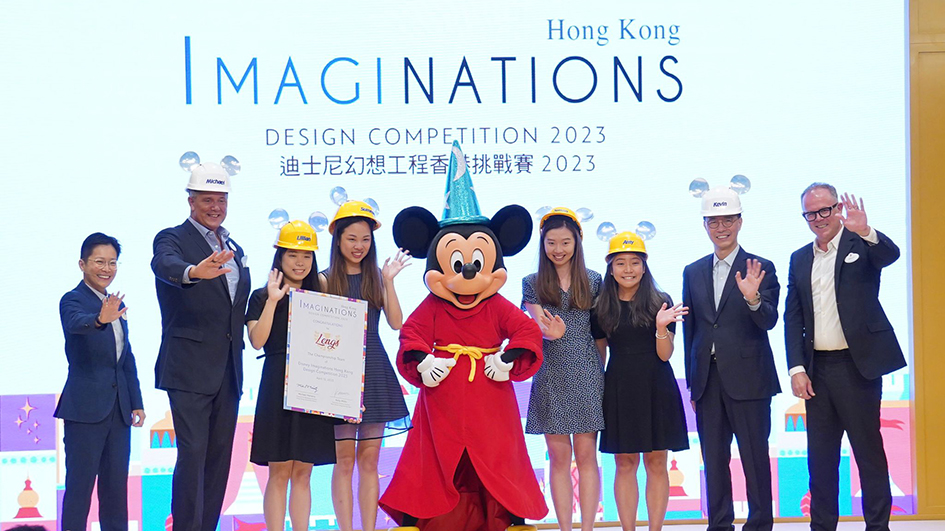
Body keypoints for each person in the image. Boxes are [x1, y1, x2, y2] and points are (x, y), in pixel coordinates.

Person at [785, 184, 906, 531]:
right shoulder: (800, 258)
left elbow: (890, 255)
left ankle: (878, 526)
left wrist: (865, 231)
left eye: (825, 210)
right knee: (820, 459)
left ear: (838, 209)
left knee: (868, 453)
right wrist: (796, 368)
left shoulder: (860, 244)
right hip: (817, 371)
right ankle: (822, 526)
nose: (818, 218)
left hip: (858, 368)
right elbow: (793, 316)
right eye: (811, 213)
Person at [151, 162, 251, 531]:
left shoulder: (233, 246)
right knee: (192, 454)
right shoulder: (172, 238)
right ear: (191, 201)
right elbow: (164, 264)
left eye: (221, 200)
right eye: (207, 199)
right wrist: (194, 272)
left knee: (219, 459)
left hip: (228, 369)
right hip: (189, 368)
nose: (215, 207)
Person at [682, 187, 780, 531]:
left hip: (750, 379)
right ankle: (719, 524)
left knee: (754, 457)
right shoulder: (692, 271)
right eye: (713, 221)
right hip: (708, 381)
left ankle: (759, 524)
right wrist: (693, 383)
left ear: (740, 222)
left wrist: (753, 299)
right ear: (705, 225)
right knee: (713, 458)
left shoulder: (760, 267)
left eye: (727, 220)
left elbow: (769, 320)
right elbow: (692, 329)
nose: (720, 228)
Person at [319, 201, 412, 531]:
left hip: (373, 370)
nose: (359, 246)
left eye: (365, 239)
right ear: (338, 241)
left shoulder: (376, 279)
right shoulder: (324, 280)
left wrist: (389, 281)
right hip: (339, 374)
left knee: (370, 460)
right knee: (343, 460)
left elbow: (397, 322)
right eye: (351, 239)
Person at [590, 232, 689, 531]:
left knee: (657, 462)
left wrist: (661, 327)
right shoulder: (600, 306)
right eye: (620, 262)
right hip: (619, 387)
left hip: (657, 385)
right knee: (625, 463)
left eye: (635, 262)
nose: (628, 269)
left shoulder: (661, 301)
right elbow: (600, 356)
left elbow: (665, 354)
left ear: (644, 267)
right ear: (610, 268)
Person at [246, 220, 337, 531]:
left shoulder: (322, 299)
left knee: (304, 472)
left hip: (314, 384)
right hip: (276, 384)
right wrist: (274, 300)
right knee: (279, 470)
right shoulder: (261, 296)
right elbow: (257, 340)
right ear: (280, 257)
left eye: (307, 256)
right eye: (293, 255)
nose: (300, 262)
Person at [55, 232, 145, 531]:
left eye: (112, 262)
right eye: (99, 262)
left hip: (118, 411)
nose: (107, 269)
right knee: (79, 489)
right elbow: (75, 324)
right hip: (84, 411)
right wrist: (99, 320)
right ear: (82, 264)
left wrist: (136, 402)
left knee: (116, 490)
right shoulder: (72, 299)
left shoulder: (114, 303)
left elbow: (125, 358)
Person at [522, 207, 603, 531]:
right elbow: (539, 324)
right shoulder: (532, 283)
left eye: (565, 242)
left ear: (577, 242)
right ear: (543, 244)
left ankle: (587, 527)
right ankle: (565, 528)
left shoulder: (594, 280)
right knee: (558, 457)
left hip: (586, 372)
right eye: (551, 243)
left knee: (587, 456)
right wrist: (548, 333)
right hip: (551, 373)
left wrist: (600, 373)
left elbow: (600, 333)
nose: (558, 249)